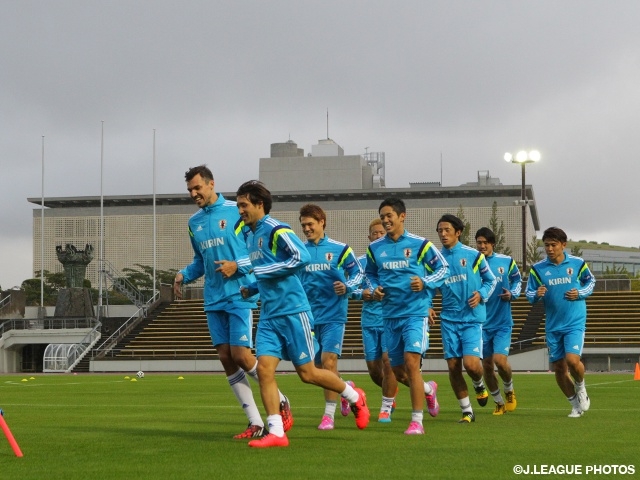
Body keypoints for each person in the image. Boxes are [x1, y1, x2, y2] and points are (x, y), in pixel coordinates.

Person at [236, 180, 370, 448]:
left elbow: (300, 258)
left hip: (294, 312)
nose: (240, 210)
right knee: (264, 370)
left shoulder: (277, 229)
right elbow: (270, 271)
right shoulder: (249, 235)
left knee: (308, 373)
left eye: (243, 205)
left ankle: (354, 396)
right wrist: (252, 288)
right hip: (270, 315)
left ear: (259, 204)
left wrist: (261, 273)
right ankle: (276, 432)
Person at [173, 165, 292, 439]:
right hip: (213, 299)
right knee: (226, 359)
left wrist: (236, 265)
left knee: (241, 355)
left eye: (197, 188)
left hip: (240, 294)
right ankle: (255, 422)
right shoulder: (194, 223)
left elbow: (259, 252)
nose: (194, 193)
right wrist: (183, 275)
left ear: (211, 184)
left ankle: (281, 399)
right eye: (190, 189)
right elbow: (200, 262)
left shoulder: (237, 212)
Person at [365, 198, 448, 435]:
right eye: (382, 216)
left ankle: (416, 421)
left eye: (389, 215)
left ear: (403, 216)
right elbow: (369, 275)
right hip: (389, 315)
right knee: (398, 371)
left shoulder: (421, 245)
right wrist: (374, 289)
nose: (385, 220)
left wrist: (425, 281)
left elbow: (442, 269)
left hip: (415, 313)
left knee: (412, 363)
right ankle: (429, 390)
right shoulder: (375, 248)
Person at [297, 204, 365, 430]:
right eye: (303, 225)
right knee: (315, 369)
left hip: (334, 315)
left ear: (322, 222)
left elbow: (358, 273)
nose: (306, 229)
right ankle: (346, 388)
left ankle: (328, 416)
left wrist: (346, 286)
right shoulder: (299, 251)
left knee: (328, 362)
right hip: (308, 317)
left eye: (310, 224)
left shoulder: (340, 249)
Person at [526, 226, 595, 418]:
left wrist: (580, 293)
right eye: (546, 245)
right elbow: (528, 293)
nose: (549, 249)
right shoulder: (538, 270)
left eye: (553, 245)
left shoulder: (578, 264)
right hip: (553, 325)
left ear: (563, 245)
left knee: (573, 360)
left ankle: (581, 387)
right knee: (559, 368)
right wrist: (536, 294)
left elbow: (590, 282)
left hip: (574, 322)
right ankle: (574, 404)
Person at [436, 214, 497, 423]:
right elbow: (428, 286)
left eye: (447, 230)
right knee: (453, 366)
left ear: (458, 232)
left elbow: (491, 280)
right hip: (448, 320)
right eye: (440, 231)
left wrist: (481, 293)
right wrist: (427, 306)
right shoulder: (435, 259)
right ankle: (467, 411)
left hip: (471, 319)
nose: (443, 234)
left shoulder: (474, 255)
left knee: (471, 365)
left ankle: (479, 383)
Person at [351, 218, 404, 423]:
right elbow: (348, 288)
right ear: (369, 237)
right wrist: (360, 293)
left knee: (388, 362)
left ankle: (386, 407)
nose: (379, 236)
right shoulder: (360, 262)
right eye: (375, 233)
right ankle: (427, 389)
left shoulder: (395, 260)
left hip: (390, 318)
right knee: (374, 370)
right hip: (369, 320)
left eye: (382, 232)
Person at [475, 227, 521, 415]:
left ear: (493, 244)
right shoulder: (472, 263)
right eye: (479, 242)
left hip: (502, 322)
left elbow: (517, 280)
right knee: (486, 366)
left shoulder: (506, 261)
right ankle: (499, 401)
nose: (482, 246)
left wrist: (513, 294)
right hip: (480, 323)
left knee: (500, 361)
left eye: (486, 242)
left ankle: (509, 389)